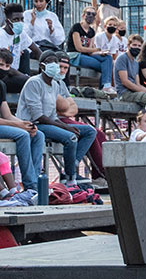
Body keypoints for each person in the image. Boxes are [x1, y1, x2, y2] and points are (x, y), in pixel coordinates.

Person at [16, 51, 97, 185]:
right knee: (70, 137)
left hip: (48, 122)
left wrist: (66, 126)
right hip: (34, 123)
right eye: (50, 63)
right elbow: (38, 116)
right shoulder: (34, 82)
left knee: (90, 131)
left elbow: (53, 115)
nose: (54, 66)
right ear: (42, 66)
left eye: (55, 62)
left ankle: (72, 165)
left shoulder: (55, 85)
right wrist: (66, 127)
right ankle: (70, 179)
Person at [56, 53, 107, 185]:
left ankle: (99, 175)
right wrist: (64, 108)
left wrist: (63, 109)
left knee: (100, 134)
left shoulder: (62, 84)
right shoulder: (48, 83)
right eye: (60, 67)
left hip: (64, 118)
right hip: (53, 120)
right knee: (90, 131)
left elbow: (74, 109)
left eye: (65, 68)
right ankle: (98, 172)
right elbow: (56, 109)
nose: (62, 71)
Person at [0, 60, 44, 195]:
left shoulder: (1, 85)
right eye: (1, 65)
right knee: (22, 134)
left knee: (38, 134)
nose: (4, 69)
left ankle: (36, 182)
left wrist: (27, 125)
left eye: (7, 66)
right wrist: (20, 126)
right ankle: (30, 185)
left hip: (3, 124)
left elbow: (7, 115)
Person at [66, 5, 114, 95]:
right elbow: (79, 48)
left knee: (108, 58)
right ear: (83, 15)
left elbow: (90, 50)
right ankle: (104, 87)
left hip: (86, 55)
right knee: (105, 67)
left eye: (93, 14)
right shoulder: (76, 27)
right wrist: (96, 49)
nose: (91, 16)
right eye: (88, 13)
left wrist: (100, 52)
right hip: (76, 55)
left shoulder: (92, 31)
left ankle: (106, 86)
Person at [0, 3, 41, 75]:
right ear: (7, 21)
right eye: (16, 19)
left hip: (15, 72)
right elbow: (4, 65)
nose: (20, 22)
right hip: (4, 73)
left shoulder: (20, 33)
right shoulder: (1, 36)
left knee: (25, 52)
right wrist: (24, 78)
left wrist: (48, 64)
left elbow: (36, 50)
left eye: (22, 19)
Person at [114, 35, 146, 106]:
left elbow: (138, 84)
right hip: (124, 93)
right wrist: (143, 91)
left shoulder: (136, 63)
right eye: (134, 45)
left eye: (139, 46)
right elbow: (125, 82)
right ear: (128, 46)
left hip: (135, 92)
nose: (137, 47)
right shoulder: (122, 58)